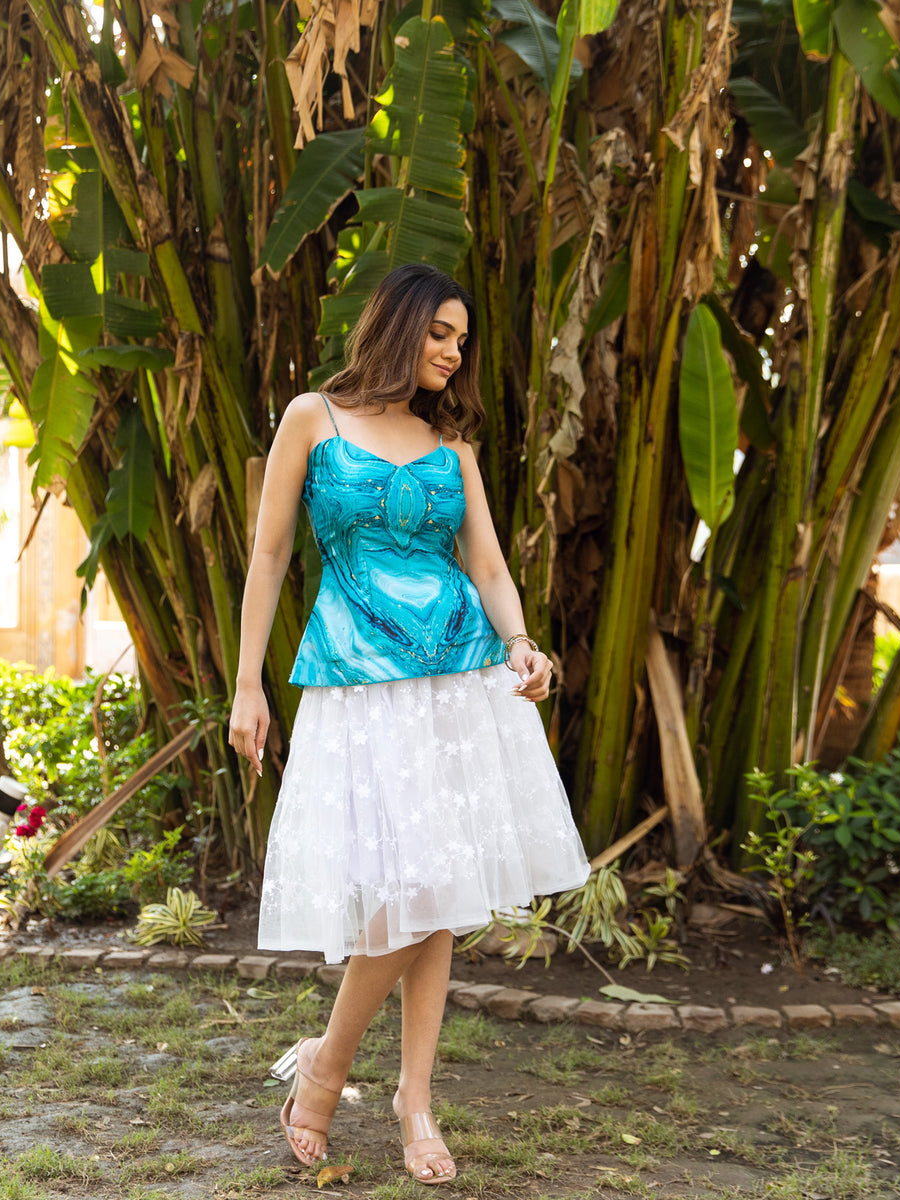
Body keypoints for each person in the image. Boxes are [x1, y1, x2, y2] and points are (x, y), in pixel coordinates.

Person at [228, 264, 589, 1185]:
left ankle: (413, 1099)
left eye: (461, 340)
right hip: (356, 684)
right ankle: (330, 1067)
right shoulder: (313, 417)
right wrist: (247, 686)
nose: (453, 352)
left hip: (458, 683)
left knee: (443, 896)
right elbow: (270, 554)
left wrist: (522, 646)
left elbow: (491, 566)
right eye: (440, 333)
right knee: (407, 896)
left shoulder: (452, 447)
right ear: (396, 325)